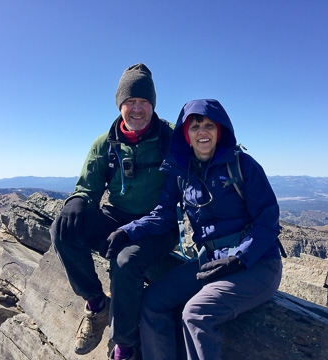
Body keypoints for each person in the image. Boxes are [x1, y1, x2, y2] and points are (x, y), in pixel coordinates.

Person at [106, 99, 283, 359]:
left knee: (196, 313)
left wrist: (239, 258)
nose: (202, 132)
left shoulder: (242, 166)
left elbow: (268, 221)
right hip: (211, 261)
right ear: (186, 134)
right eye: (195, 126)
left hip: (257, 264)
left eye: (209, 125)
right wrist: (129, 231)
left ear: (220, 130)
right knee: (153, 302)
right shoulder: (181, 173)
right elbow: (163, 214)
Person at [50, 63, 178, 360]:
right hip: (117, 217)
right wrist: (77, 202)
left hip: (159, 224)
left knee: (125, 261)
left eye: (143, 102)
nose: (137, 109)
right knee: (63, 228)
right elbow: (88, 188)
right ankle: (96, 305)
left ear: (153, 105)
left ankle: (125, 344)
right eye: (130, 102)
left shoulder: (170, 139)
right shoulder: (105, 144)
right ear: (120, 104)